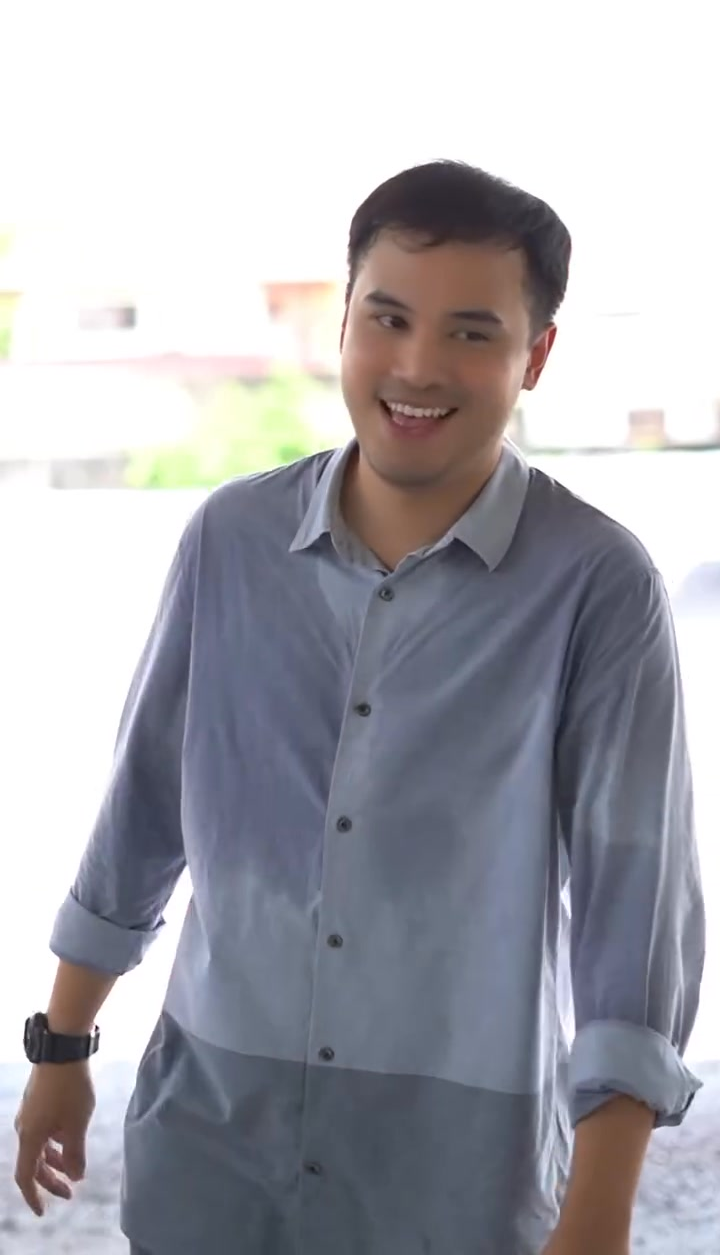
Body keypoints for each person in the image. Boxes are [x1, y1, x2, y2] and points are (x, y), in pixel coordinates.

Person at [13, 160, 705, 1255]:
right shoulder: (231, 541)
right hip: (210, 1140)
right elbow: (142, 810)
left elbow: (636, 907)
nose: (418, 366)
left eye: (472, 333)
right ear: (344, 321)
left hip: (456, 1174)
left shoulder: (598, 586)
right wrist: (63, 1044)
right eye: (389, 318)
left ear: (535, 356)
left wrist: (601, 1209)